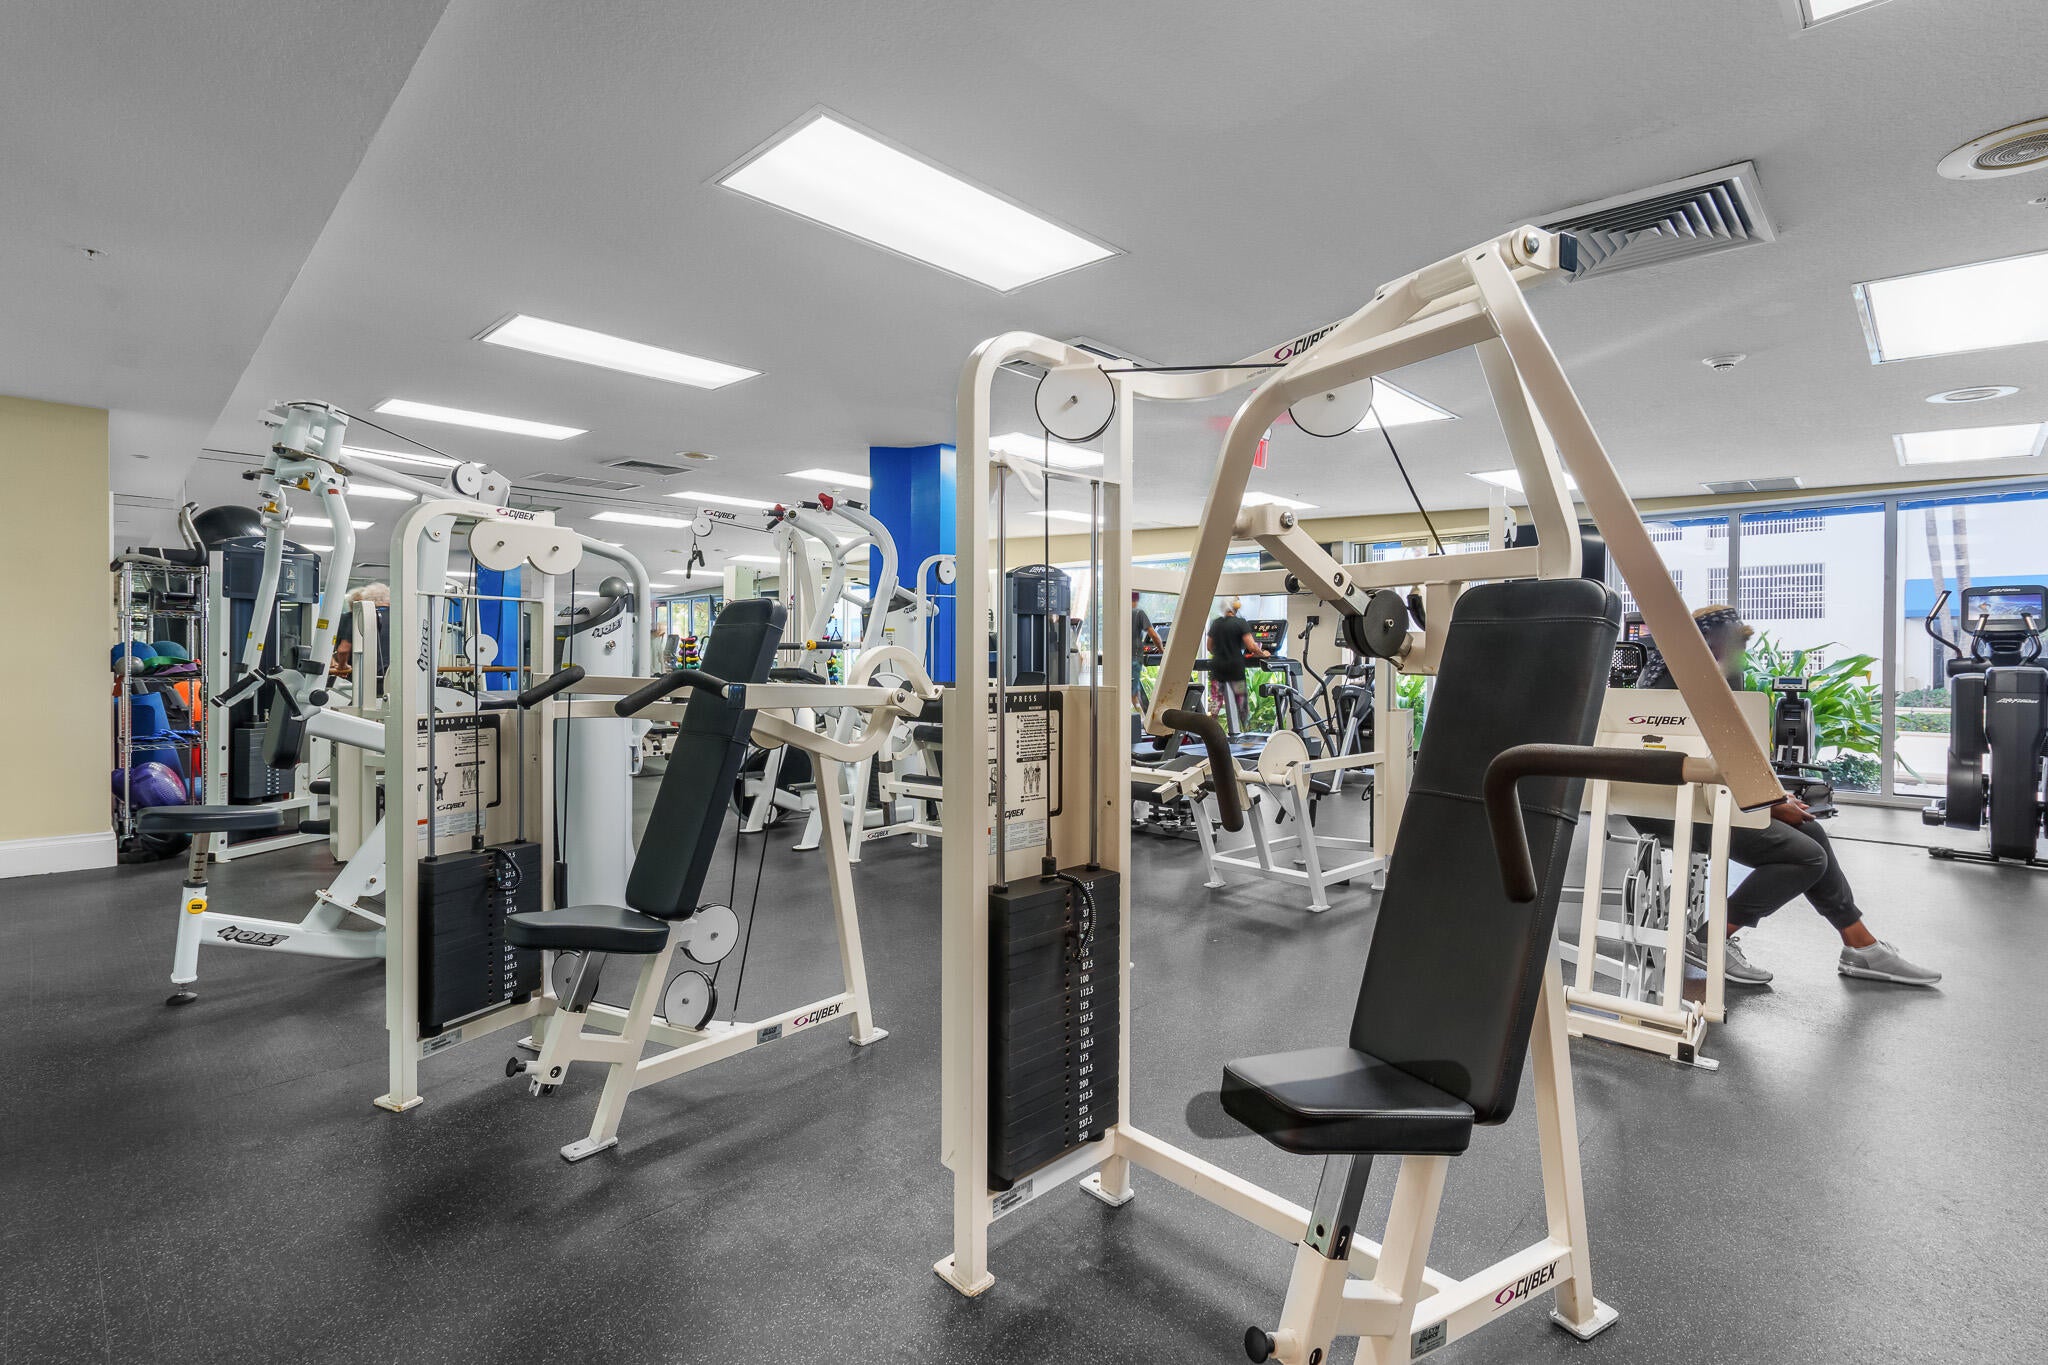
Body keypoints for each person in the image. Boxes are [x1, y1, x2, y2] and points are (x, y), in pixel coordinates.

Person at [1634, 604, 1939, 988]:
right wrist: (1772, 804)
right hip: (1683, 806)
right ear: (1710, 643)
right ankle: (1709, 940)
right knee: (1805, 856)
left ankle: (1860, 944)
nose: (1739, 657)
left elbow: (1730, 754)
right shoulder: (1694, 682)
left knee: (1811, 832)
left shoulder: (1677, 675)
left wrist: (1774, 800)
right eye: (1735, 647)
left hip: (1694, 798)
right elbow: (1720, 757)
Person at [1205, 598, 1268, 736]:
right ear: (1235, 608)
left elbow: (1209, 647)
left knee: (1215, 700)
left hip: (1218, 667)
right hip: (1235, 668)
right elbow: (1251, 646)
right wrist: (1263, 654)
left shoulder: (1216, 623)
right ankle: (1247, 732)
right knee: (1241, 700)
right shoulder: (1240, 623)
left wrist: (1221, 653)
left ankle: (1208, 732)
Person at [1131, 592, 1164, 710]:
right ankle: (1141, 718)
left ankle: (1140, 717)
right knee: (1134, 694)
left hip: (1121, 659)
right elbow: (1153, 635)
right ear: (1136, 599)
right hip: (1134, 657)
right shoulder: (1139, 613)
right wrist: (1162, 650)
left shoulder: (1119, 613)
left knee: (1132, 690)